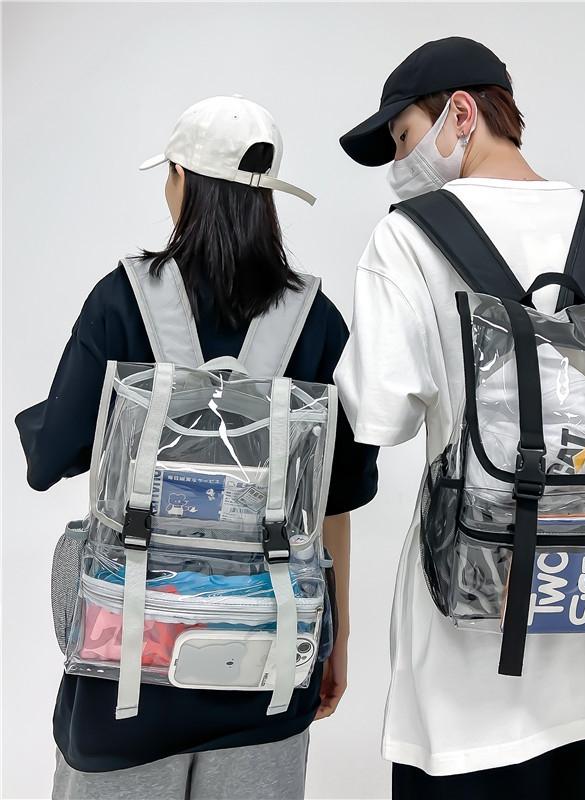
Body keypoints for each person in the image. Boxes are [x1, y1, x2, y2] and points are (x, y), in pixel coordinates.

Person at [336, 37, 585, 800]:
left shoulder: (407, 237)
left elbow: (377, 413)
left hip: (470, 671)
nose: (399, 165)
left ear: (462, 114)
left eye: (404, 138)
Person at [16, 94, 378, 800]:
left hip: (126, 671)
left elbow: (47, 460)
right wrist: (333, 639)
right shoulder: (318, 321)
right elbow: (333, 503)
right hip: (267, 677)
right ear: (268, 200)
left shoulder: (120, 301)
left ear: (180, 179)